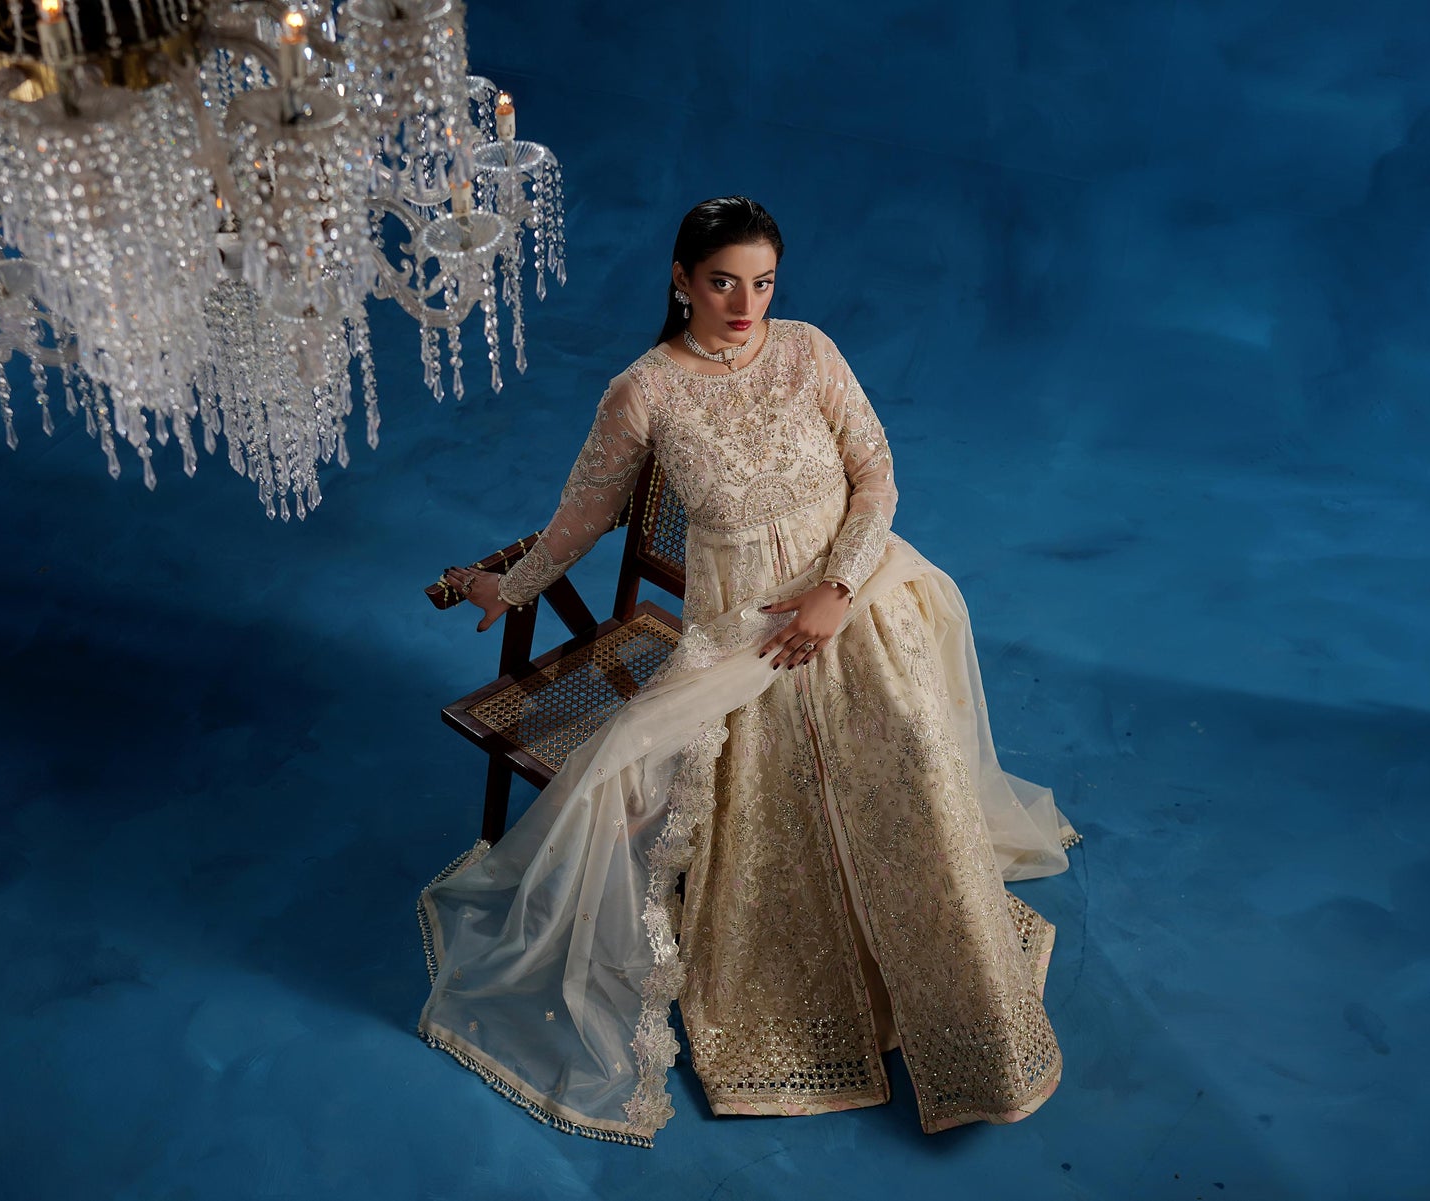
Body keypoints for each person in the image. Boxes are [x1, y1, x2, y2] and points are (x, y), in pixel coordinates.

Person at [420, 196, 1079, 1148]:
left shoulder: (809, 350)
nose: (744, 304)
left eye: (762, 283)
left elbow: (877, 473)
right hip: (740, 636)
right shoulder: (643, 391)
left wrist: (837, 590)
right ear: (681, 279)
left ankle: (959, 997)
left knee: (908, 756)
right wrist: (510, 585)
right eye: (723, 282)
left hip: (856, 598)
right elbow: (581, 516)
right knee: (650, 786)